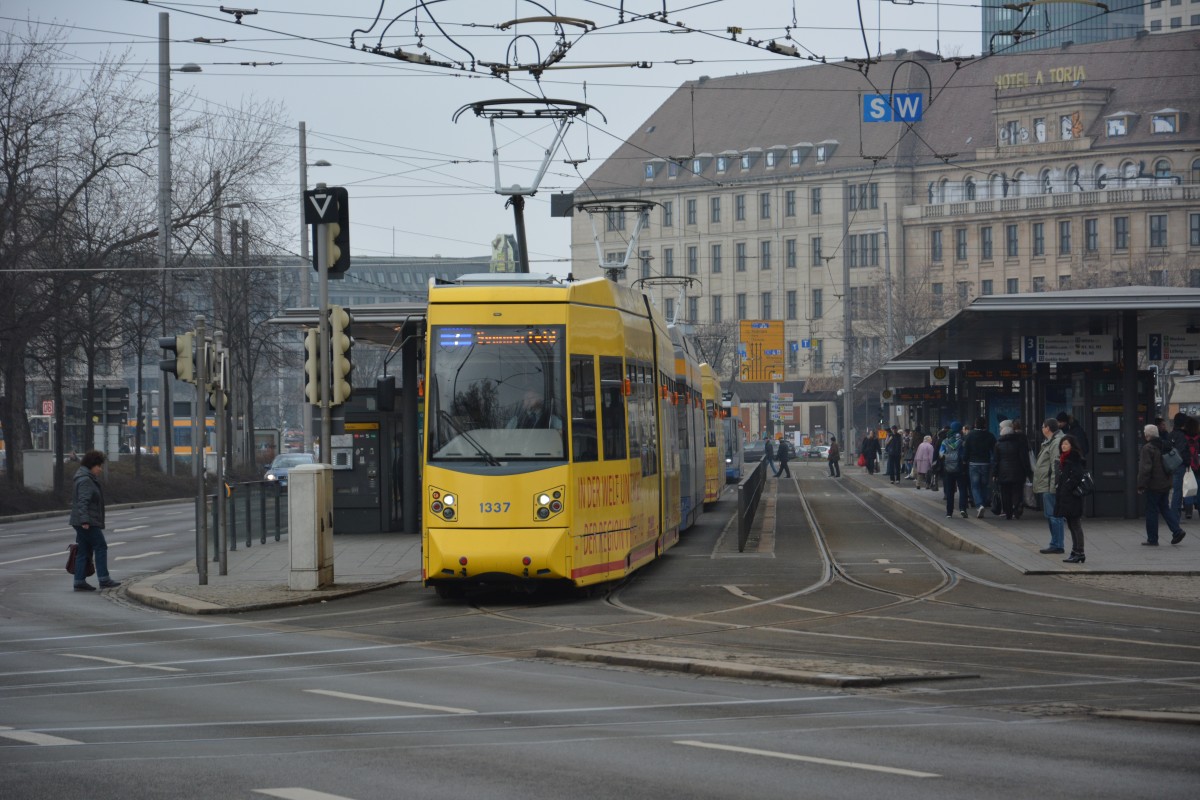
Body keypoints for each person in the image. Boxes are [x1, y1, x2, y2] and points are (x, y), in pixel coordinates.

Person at [70, 450, 120, 592]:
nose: (100, 469)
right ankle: (104, 579)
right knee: (101, 546)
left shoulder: (85, 477)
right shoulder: (86, 480)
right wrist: (85, 520)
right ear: (92, 465)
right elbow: (82, 502)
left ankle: (79, 581)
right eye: (99, 466)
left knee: (83, 550)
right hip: (87, 522)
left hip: (82, 521)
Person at [1137, 423, 1186, 546]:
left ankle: (1152, 539)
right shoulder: (1165, 444)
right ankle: (1177, 531)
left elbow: (1145, 469)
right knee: (1165, 508)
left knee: (1151, 511)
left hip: (1154, 485)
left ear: (1147, 435)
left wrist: (1141, 485)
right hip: (1166, 483)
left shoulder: (1148, 448)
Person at [1032, 418, 1066, 554]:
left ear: (1047, 428)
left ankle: (1057, 544)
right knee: (1051, 515)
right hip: (1046, 484)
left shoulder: (1056, 442)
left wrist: (1054, 486)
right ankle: (1055, 543)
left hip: (1050, 485)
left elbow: (1056, 465)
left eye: (1042, 426)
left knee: (1054, 515)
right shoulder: (1050, 441)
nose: (1041, 429)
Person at [1055, 434, 1087, 563]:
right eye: (1062, 444)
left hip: (1072, 497)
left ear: (1072, 446)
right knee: (1071, 525)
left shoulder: (1073, 459)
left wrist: (1066, 488)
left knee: (1075, 525)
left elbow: (1077, 475)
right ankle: (1075, 551)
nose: (1063, 446)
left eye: (1066, 444)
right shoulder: (1064, 459)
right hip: (1067, 497)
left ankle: (1079, 552)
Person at [992, 419, 1033, 520]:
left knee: (1005, 493)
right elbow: (1024, 459)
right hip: (1018, 472)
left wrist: (994, 473)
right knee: (1017, 491)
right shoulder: (1018, 443)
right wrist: (1028, 472)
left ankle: (1008, 513)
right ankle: (1017, 508)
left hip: (1003, 473)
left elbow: (996, 461)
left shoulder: (998, 444)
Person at [964, 416, 997, 518]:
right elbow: (994, 450)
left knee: (975, 486)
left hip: (973, 463)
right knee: (984, 484)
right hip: (985, 463)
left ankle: (979, 504)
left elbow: (966, 450)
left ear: (975, 425)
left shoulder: (970, 435)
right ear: (985, 425)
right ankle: (983, 501)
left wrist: (965, 460)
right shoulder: (990, 435)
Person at [939, 421, 969, 518]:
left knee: (950, 490)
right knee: (963, 489)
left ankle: (949, 512)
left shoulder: (945, 441)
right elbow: (965, 454)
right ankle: (963, 509)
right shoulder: (962, 441)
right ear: (960, 429)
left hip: (948, 468)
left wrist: (947, 456)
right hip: (960, 468)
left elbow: (940, 454)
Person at [1166, 412, 1192, 524]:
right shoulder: (1181, 435)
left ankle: (1174, 516)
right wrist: (1187, 461)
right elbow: (1181, 451)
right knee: (1178, 492)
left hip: (1171, 465)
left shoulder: (1171, 434)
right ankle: (1174, 517)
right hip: (1179, 465)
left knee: (1175, 491)